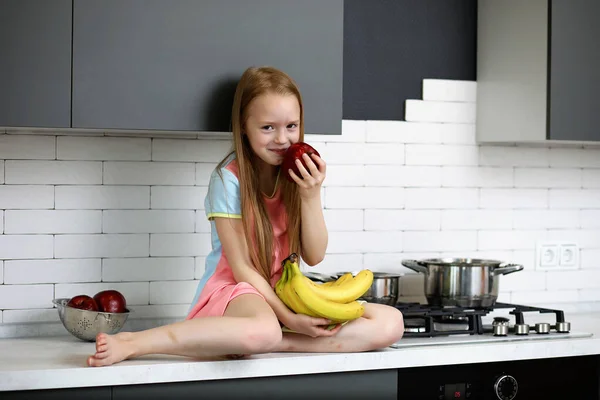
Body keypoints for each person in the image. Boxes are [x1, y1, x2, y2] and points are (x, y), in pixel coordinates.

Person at [87, 66, 404, 367]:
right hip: (237, 290)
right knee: (263, 329)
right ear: (243, 127)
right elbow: (241, 268)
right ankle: (137, 342)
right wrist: (289, 318)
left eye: (291, 127)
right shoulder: (228, 180)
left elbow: (315, 255)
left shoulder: (297, 177)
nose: (282, 139)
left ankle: (276, 341)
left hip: (280, 291)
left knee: (390, 323)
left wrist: (311, 195)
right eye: (268, 128)